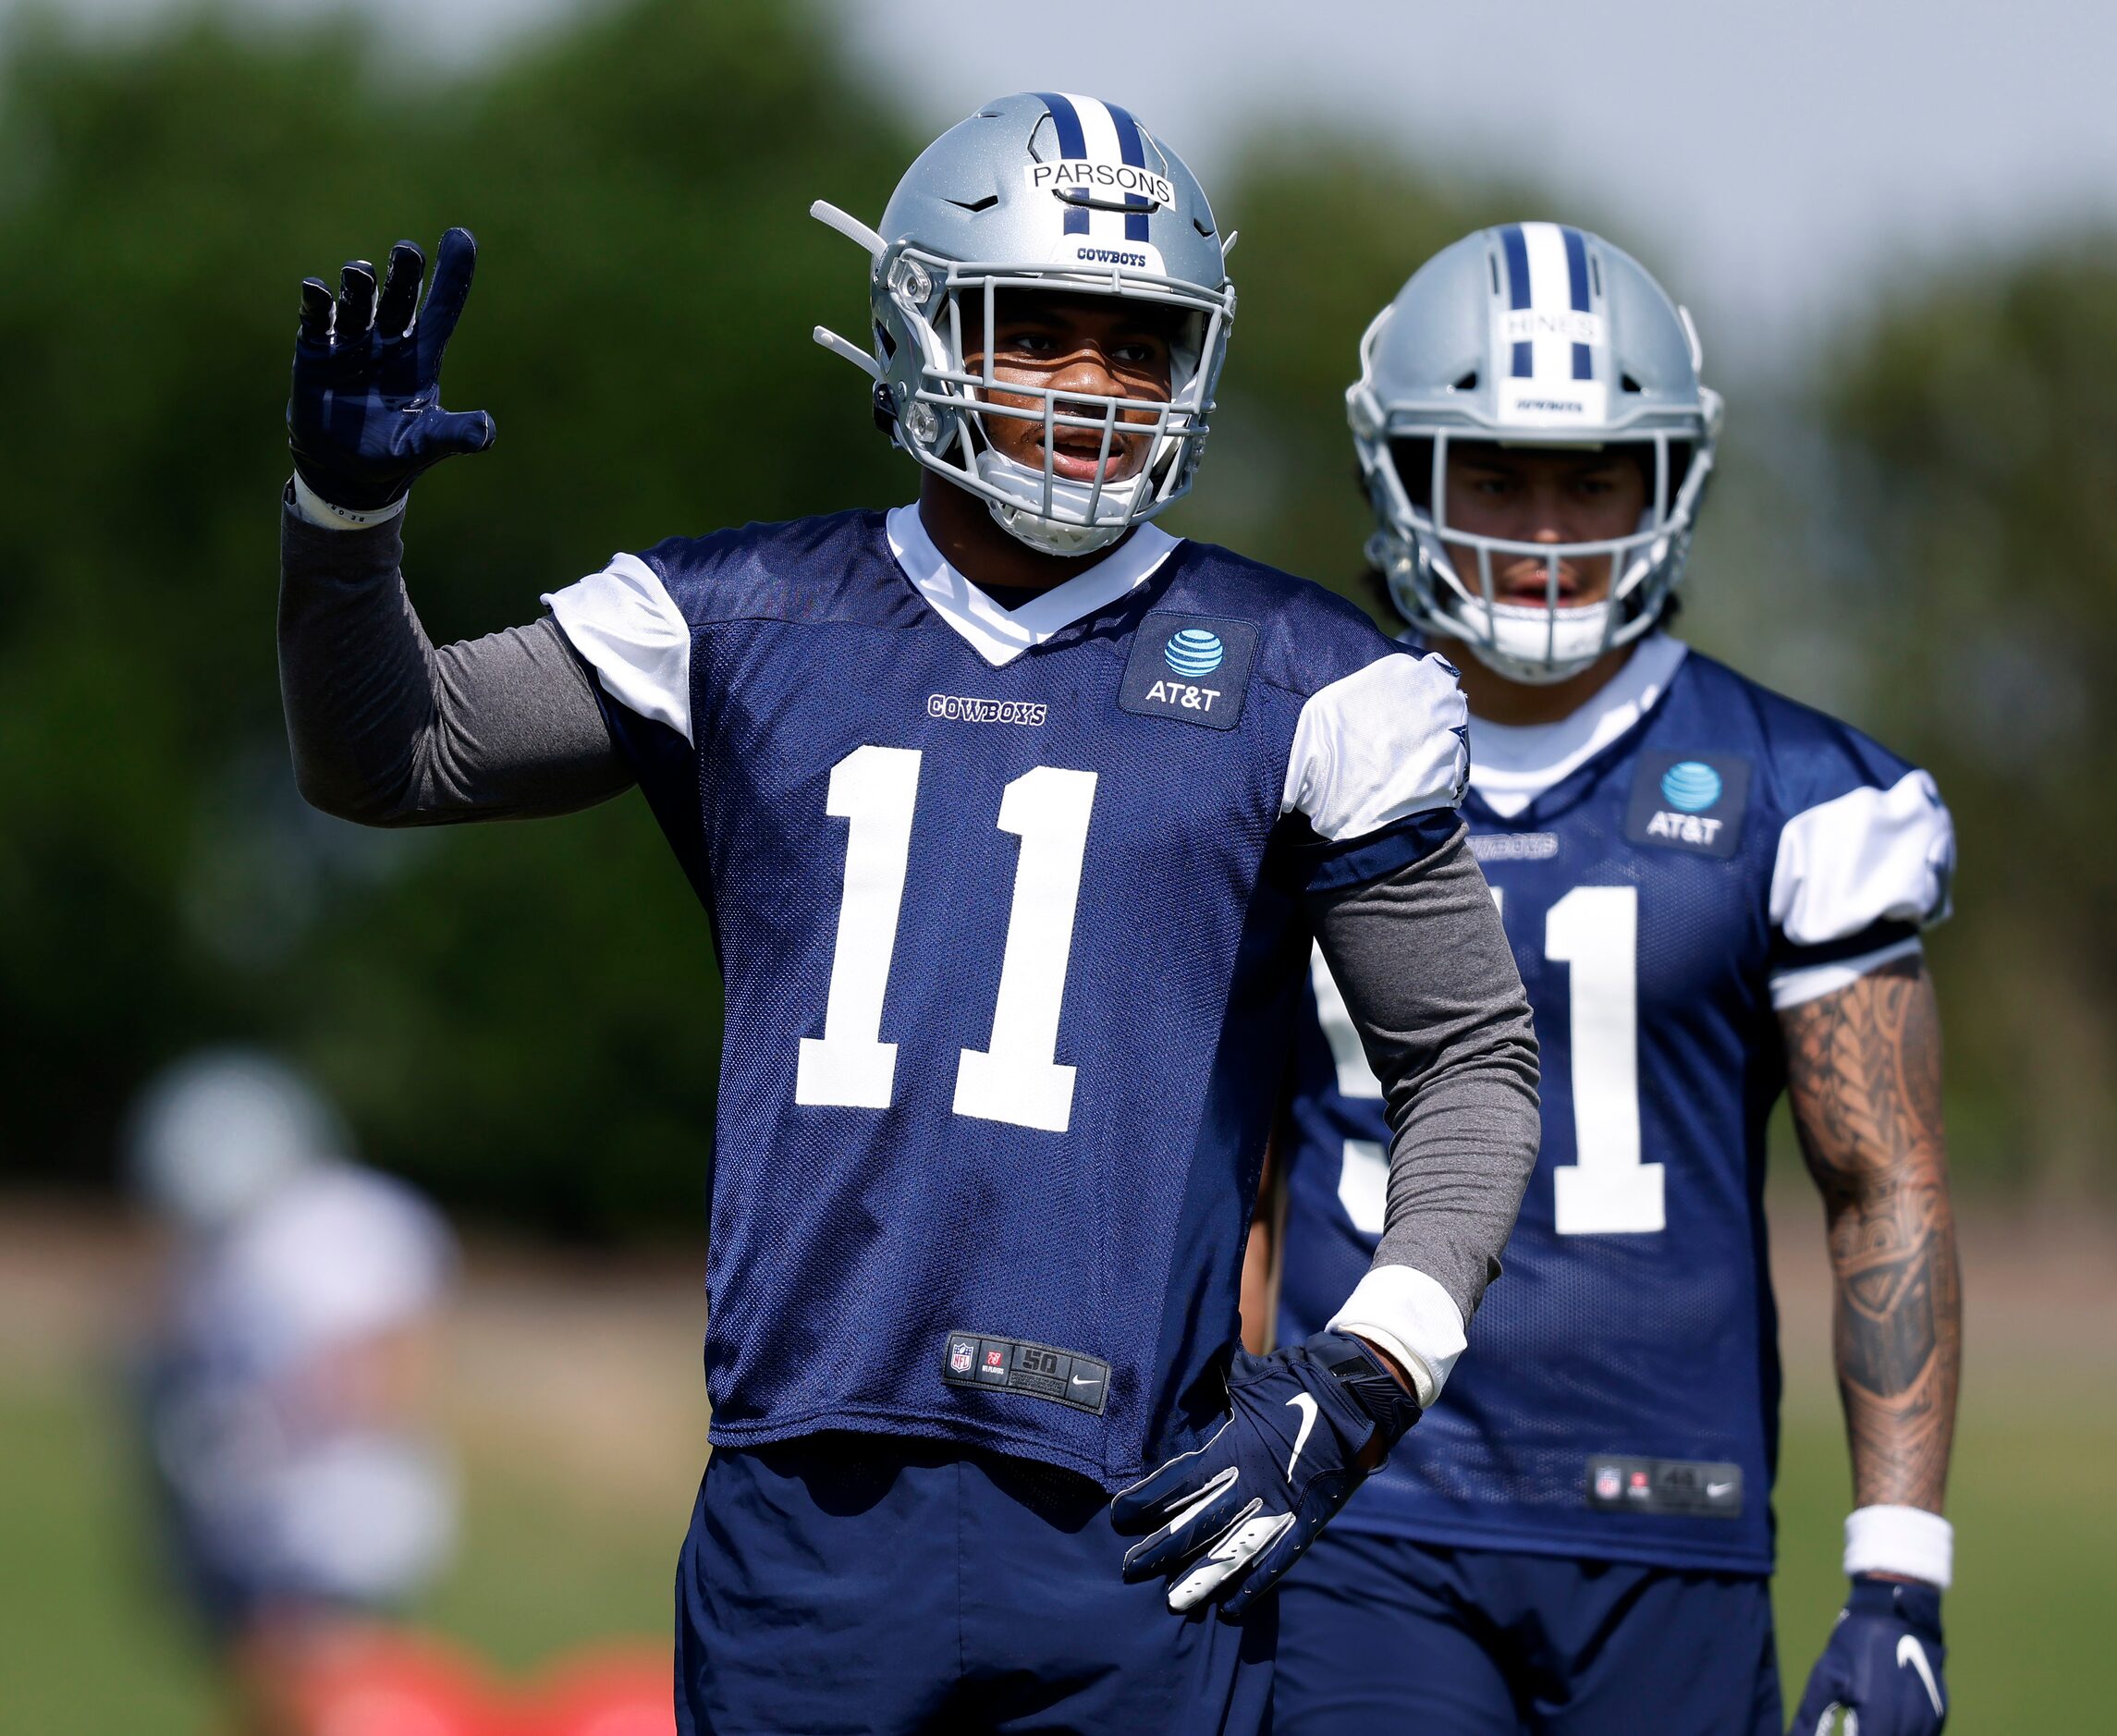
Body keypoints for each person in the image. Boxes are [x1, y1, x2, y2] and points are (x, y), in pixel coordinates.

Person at [275, 94, 1541, 1733]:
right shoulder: (735, 617)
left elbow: (1471, 1061)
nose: (1092, 386)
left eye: (1139, 344)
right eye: (1043, 330)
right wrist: (342, 524)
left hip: (1133, 1515)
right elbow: (396, 751)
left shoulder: (1308, 680)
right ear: (924, 319)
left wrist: (1368, 1368)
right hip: (808, 1502)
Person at [1254, 224, 1961, 1735]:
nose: (1546, 525)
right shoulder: (1302, 746)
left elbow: (1881, 1183)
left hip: (1673, 1516)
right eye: (1495, 473)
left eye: (1593, 476)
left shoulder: (1803, 792)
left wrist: (1897, 1572)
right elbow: (1230, 1155)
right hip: (1369, 1504)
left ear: (1667, 483)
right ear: (1405, 472)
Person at [126, 1049, 459, 1734]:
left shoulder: (340, 1223)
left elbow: (390, 1358)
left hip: (335, 1522)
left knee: (329, 1697)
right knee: (265, 1694)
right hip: (256, 1521)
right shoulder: (224, 1249)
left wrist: (269, 1426)